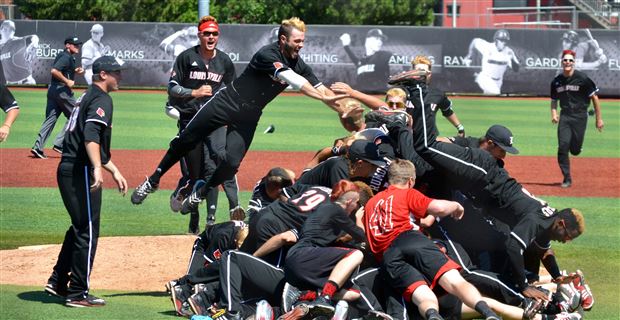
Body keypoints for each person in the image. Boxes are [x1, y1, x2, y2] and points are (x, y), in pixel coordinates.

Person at [130, 17, 345, 211]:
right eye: (297, 41)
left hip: (249, 116)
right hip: (227, 102)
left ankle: (202, 192)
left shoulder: (298, 63)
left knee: (231, 163)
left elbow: (321, 88)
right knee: (187, 138)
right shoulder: (267, 54)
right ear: (283, 39)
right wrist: (323, 98)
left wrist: (342, 108)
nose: (301, 45)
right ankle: (154, 179)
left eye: (303, 41)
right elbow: (295, 81)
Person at [140, 16, 237, 233]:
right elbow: (172, 87)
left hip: (213, 122)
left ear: (218, 36)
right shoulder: (186, 58)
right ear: (199, 35)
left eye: (214, 33)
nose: (211, 37)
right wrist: (194, 92)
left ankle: (210, 221)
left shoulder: (225, 62)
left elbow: (233, 92)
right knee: (194, 174)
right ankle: (192, 214)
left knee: (213, 167)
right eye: (206, 33)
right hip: (190, 121)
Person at [44, 56, 127, 307]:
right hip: (79, 170)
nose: (119, 77)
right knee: (88, 230)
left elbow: (91, 142)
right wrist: (96, 169)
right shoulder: (102, 99)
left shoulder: (86, 95)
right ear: (103, 74)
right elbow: (91, 137)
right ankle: (78, 292)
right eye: (116, 72)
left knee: (80, 227)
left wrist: (112, 169)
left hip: (70, 167)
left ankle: (58, 281)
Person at [550, 49, 604, 188]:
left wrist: (599, 119)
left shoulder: (583, 79)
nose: (568, 62)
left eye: (570, 60)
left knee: (574, 150)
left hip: (580, 116)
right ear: (562, 62)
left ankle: (577, 148)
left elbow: (595, 98)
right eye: (565, 60)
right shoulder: (557, 81)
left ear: (574, 63)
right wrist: (554, 114)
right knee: (563, 146)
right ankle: (567, 178)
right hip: (565, 116)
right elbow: (554, 100)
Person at [31, 36, 84, 159]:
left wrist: (74, 71)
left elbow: (62, 70)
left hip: (53, 90)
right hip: (62, 91)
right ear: (67, 45)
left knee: (50, 119)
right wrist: (67, 81)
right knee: (77, 114)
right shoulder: (66, 57)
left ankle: (37, 147)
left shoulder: (65, 56)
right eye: (74, 44)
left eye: (78, 45)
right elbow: (54, 71)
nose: (77, 46)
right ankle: (60, 144)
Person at [463, 29, 520, 95]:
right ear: (496, 40)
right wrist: (469, 55)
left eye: (506, 40)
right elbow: (475, 41)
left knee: (489, 100)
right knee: (496, 93)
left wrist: (512, 59)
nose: (504, 43)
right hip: (485, 78)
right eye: (501, 40)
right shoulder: (488, 47)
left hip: (498, 81)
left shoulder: (508, 52)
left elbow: (516, 69)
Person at [340, 28, 392, 93]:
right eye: (376, 39)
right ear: (367, 40)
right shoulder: (362, 61)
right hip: (362, 95)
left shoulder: (384, 56)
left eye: (381, 40)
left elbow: (397, 59)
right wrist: (346, 46)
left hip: (379, 95)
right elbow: (356, 60)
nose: (380, 42)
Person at [0, 20, 39, 84]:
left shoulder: (17, 41)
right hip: (10, 84)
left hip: (26, 82)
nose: (1, 31)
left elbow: (34, 37)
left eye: (4, 29)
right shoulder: (1, 45)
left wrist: (34, 45)